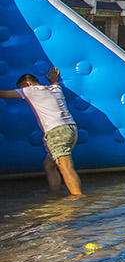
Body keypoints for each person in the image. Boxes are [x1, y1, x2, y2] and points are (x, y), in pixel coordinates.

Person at [0, 67, 82, 195]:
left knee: (65, 167)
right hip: (71, 128)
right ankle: (54, 193)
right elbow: (55, 83)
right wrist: (54, 80)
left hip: (57, 131)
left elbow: (3, 94)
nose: (21, 91)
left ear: (27, 84)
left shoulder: (30, 90)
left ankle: (78, 198)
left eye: (21, 87)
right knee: (49, 166)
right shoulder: (55, 89)